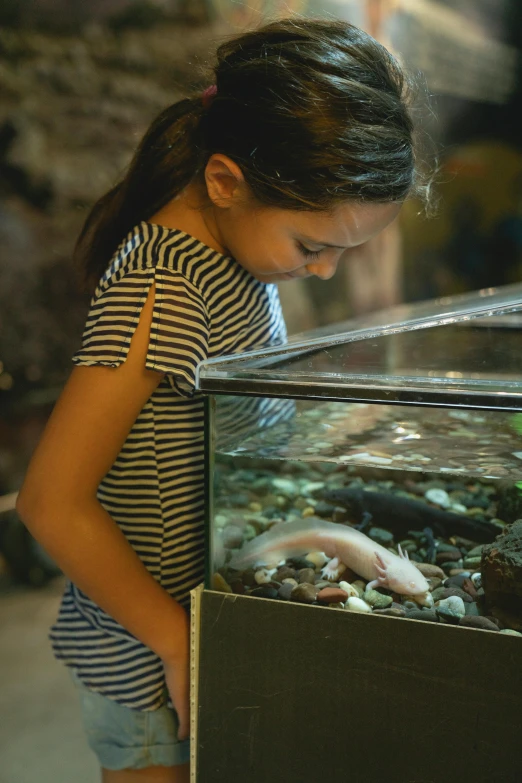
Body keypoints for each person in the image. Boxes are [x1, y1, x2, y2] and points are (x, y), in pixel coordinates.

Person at [16, 17, 428, 783]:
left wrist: (318, 533)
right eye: (314, 246)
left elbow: (223, 457)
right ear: (225, 181)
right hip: (147, 649)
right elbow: (51, 501)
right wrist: (178, 641)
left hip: (205, 618)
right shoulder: (164, 282)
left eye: (346, 250)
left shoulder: (239, 259)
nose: (327, 273)